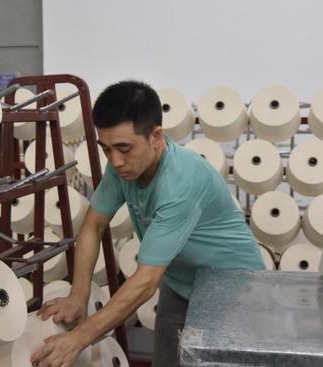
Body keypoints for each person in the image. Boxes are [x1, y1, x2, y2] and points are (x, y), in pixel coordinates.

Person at [31, 80, 265, 367]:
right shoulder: (123, 168)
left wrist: (79, 338)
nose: (115, 161)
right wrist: (78, 295)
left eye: (124, 148)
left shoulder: (181, 183)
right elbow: (93, 225)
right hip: (181, 285)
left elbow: (145, 281)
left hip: (234, 291)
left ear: (156, 137)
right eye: (106, 149)